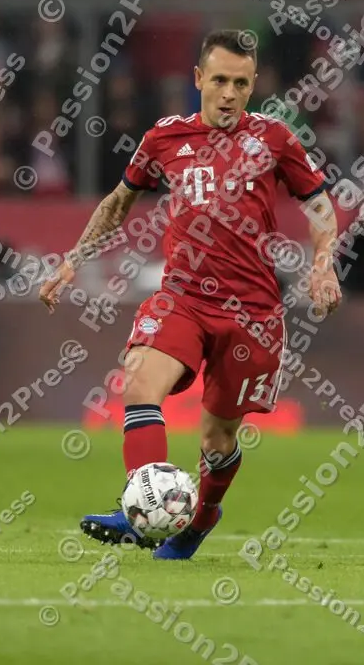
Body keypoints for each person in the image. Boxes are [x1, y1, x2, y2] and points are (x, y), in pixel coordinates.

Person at [39, 30, 341, 560]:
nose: (229, 92)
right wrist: (73, 260)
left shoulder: (273, 139)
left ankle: (199, 521)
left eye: (241, 83)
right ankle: (140, 506)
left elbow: (319, 207)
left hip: (252, 312)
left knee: (217, 440)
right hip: (183, 297)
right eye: (220, 80)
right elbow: (118, 202)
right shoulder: (164, 137)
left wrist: (323, 266)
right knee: (138, 381)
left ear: (252, 88)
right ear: (198, 79)